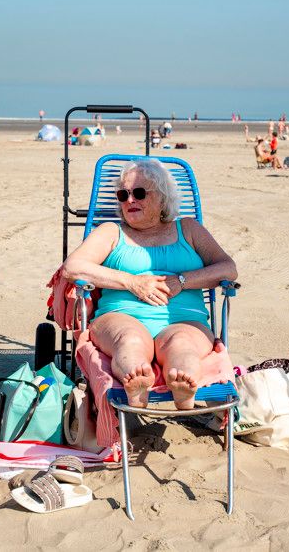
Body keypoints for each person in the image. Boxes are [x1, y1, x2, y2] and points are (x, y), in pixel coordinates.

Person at [60, 159, 237, 409]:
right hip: (121, 316)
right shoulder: (111, 232)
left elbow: (228, 268)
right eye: (123, 195)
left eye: (139, 193)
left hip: (185, 319)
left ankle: (183, 384)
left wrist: (183, 281)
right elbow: (72, 267)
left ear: (162, 198)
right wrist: (132, 282)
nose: (130, 200)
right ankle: (136, 381)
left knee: (182, 345)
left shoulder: (189, 229)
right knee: (129, 339)